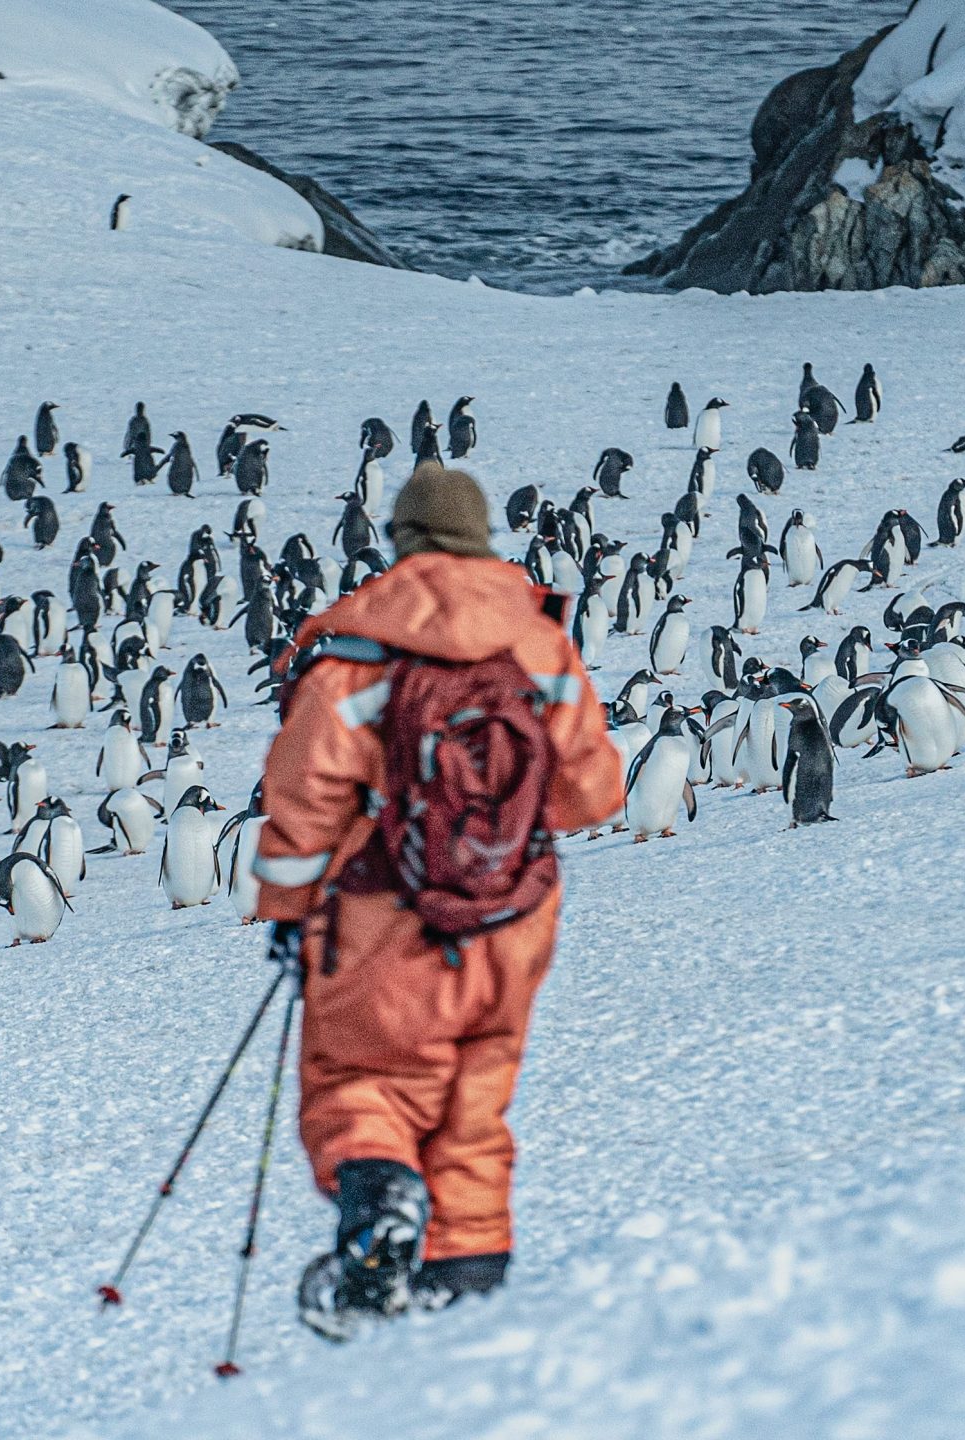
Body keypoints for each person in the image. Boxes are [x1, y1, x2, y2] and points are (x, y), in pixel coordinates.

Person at [254, 461, 624, 1340]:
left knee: (363, 1081)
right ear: (482, 534)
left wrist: (287, 915)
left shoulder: (359, 648)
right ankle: (466, 1280)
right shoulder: (538, 643)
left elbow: (304, 803)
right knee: (475, 1093)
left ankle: (381, 1202)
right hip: (515, 914)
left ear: (403, 538)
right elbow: (594, 792)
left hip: (389, 918)